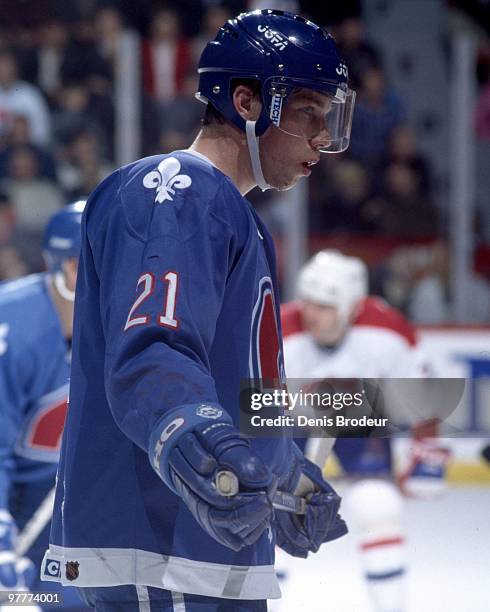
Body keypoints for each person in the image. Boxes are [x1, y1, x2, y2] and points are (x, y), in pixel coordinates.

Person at [40, 9, 356, 611]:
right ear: (246, 100)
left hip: (204, 554)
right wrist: (193, 438)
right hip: (160, 548)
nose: (322, 136)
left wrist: (280, 464)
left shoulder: (235, 217)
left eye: (329, 117)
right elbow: (154, 347)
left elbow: (228, 375)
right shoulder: (177, 188)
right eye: (308, 112)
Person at [281, 249, 451, 612]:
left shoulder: (387, 330)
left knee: (378, 505)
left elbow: (425, 397)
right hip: (291, 420)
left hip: (360, 420)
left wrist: (429, 455)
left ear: (352, 308)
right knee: (271, 513)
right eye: (308, 302)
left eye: (325, 306)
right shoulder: (280, 329)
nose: (311, 314)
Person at [0, 202, 88, 610]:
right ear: (73, 268)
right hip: (16, 503)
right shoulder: (12, 326)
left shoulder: (128, 326)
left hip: (65, 505)